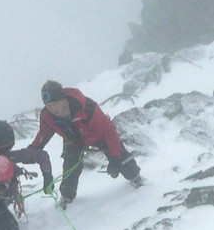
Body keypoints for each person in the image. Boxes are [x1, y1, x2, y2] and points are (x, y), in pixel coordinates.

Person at [29, 80, 142, 208]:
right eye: (48, 105)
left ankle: (134, 176)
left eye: (54, 104)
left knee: (120, 156)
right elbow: (44, 133)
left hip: (97, 135)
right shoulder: (47, 116)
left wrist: (115, 159)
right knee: (70, 166)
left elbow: (109, 132)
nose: (51, 109)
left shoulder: (86, 106)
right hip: (73, 140)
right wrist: (33, 149)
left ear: (63, 99)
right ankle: (67, 195)